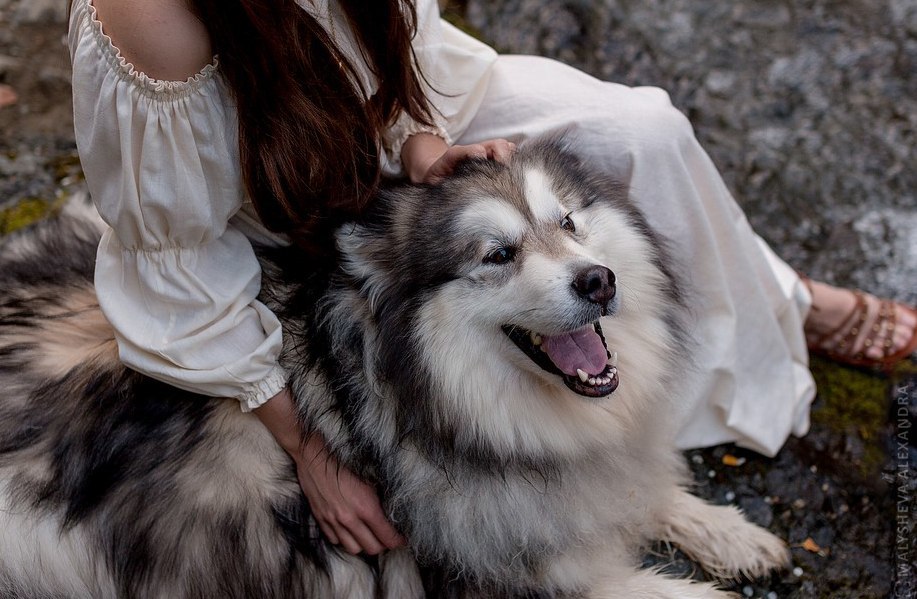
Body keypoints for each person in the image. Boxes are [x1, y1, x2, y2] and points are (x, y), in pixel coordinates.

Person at [68, 0, 917, 556]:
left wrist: (425, 150)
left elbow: (399, 53)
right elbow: (175, 258)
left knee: (642, 129)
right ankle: (779, 296)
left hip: (393, 134)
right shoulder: (152, 16)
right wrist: (307, 446)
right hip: (260, 218)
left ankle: (780, 307)